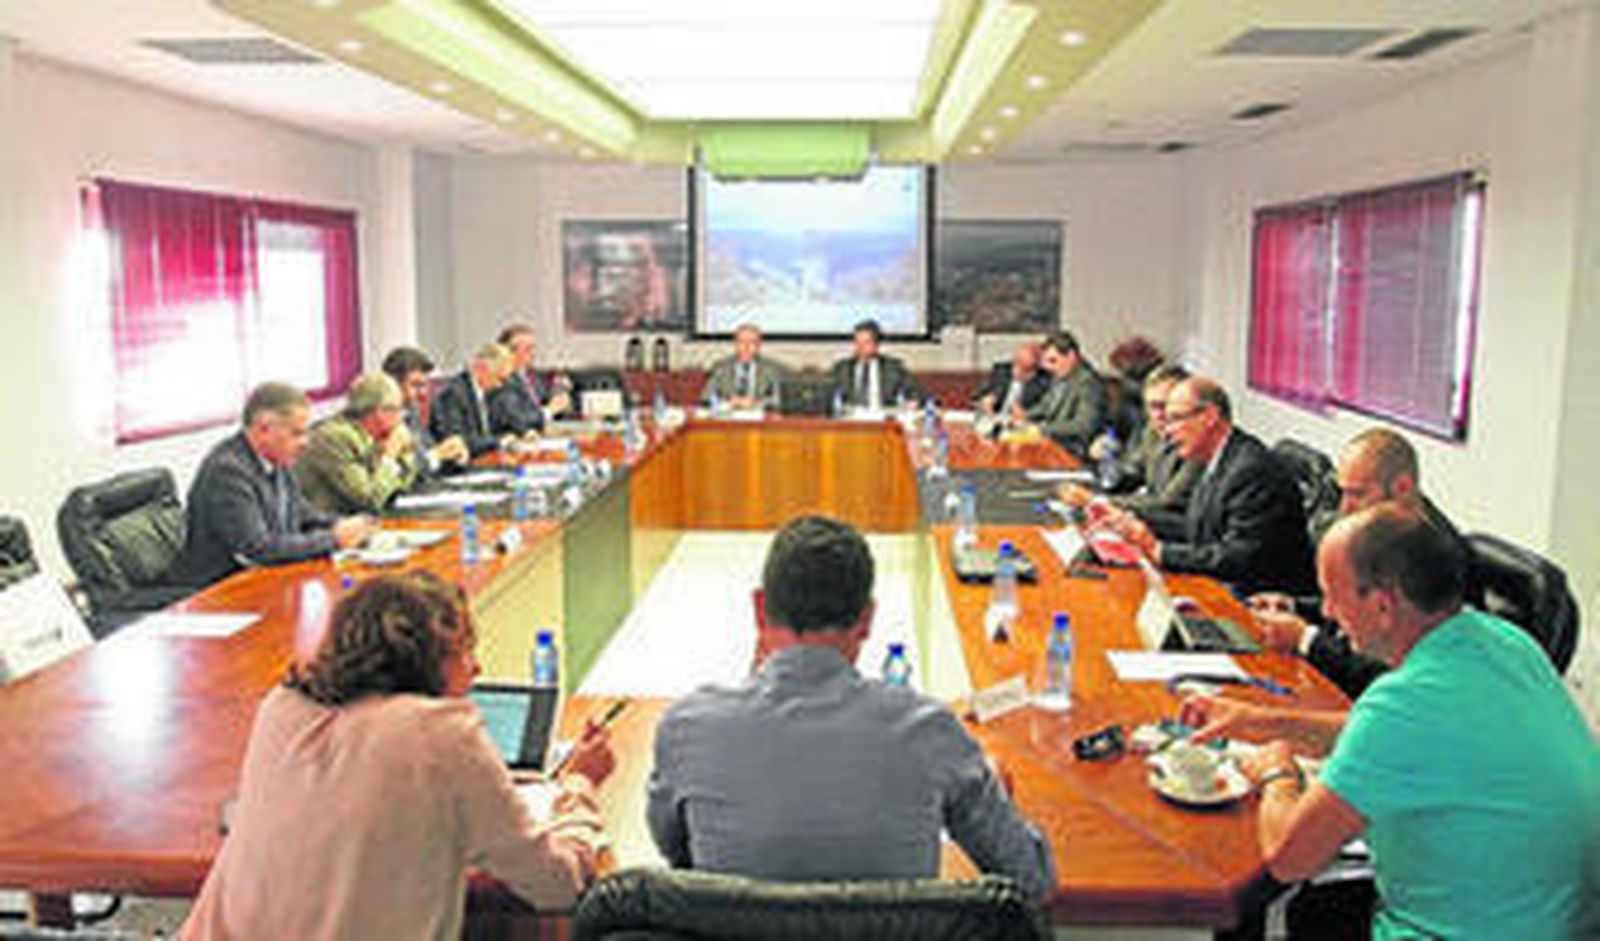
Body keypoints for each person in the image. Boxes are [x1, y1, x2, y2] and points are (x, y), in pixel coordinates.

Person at [1180, 505, 1600, 940]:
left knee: (1289, 897)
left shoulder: (1403, 703)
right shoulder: (1508, 642)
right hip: (1552, 919)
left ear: (1382, 606)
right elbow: (1387, 732)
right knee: (1319, 906)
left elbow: (1288, 858)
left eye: (1332, 596)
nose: (1326, 612)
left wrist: (1277, 773)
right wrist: (1263, 722)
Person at [181, 571, 616, 941]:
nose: (476, 668)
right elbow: (555, 884)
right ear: (425, 659)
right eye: (465, 650)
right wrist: (579, 787)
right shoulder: (441, 735)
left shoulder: (282, 707)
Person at [646, 515, 1055, 901]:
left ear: (759, 608)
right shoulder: (931, 732)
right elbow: (1032, 880)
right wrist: (991, 791)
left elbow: (680, 854)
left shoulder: (688, 729)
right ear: (868, 618)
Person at [1252, 428, 1474, 698]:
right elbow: (1357, 605)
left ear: (1402, 488)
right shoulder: (1380, 534)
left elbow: (1387, 670)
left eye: (1357, 494)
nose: (1344, 509)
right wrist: (1293, 606)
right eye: (1342, 493)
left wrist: (1305, 639)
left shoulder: (1433, 556)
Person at [1093, 377, 1316, 595]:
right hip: (1226, 584)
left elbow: (1239, 557)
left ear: (1209, 416)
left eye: (1176, 419)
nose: (1167, 431)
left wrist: (1160, 551)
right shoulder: (1214, 458)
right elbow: (1197, 529)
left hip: (1261, 600)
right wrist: (1135, 524)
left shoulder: (1250, 469)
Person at [168, 383, 375, 588]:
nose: (306, 442)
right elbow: (258, 549)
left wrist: (349, 525)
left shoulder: (277, 459)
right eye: (297, 433)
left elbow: (302, 514)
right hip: (218, 590)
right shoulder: (227, 471)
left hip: (265, 579)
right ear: (264, 429)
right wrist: (333, 539)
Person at [1060, 363, 1200, 530]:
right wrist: (1100, 462)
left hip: (1174, 531)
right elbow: (1130, 474)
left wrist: (1095, 501)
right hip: (1147, 521)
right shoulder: (1153, 431)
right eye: (1152, 406)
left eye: (1165, 405)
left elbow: (1165, 503)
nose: (1159, 415)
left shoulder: (1197, 442)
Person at [295, 373, 418, 515]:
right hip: (331, 523)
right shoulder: (335, 438)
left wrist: (405, 451)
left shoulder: (375, 435)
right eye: (397, 410)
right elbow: (369, 499)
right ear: (380, 412)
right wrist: (390, 455)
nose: (400, 419)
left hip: (360, 520)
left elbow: (402, 486)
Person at [381, 345, 471, 478]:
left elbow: (430, 451)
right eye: (416, 385)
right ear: (393, 384)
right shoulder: (380, 420)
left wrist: (453, 455)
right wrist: (436, 455)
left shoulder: (412, 412)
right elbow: (400, 472)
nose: (424, 393)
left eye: (425, 385)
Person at [1018, 331, 1108, 459]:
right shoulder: (1061, 376)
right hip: (1053, 441)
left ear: (1071, 356)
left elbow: (1083, 425)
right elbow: (1046, 405)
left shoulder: (1088, 383)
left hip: (1073, 448)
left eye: (1053, 361)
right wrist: (1024, 416)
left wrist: (1042, 429)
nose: (1049, 367)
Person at [488, 323, 571, 436]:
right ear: (510, 353)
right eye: (528, 349)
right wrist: (550, 410)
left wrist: (559, 394)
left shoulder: (530, 376)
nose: (533, 353)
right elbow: (516, 419)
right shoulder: (502, 380)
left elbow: (544, 402)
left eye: (533, 348)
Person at [431, 343, 512, 458]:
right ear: (481, 369)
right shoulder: (453, 394)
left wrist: (514, 436)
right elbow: (458, 440)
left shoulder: (491, 393)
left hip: (486, 458)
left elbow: (501, 426)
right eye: (499, 379)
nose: (500, 386)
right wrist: (499, 441)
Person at [828, 319, 921, 409]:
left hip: (883, 416)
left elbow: (916, 393)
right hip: (851, 417)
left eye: (866, 343)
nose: (860, 347)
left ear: (876, 345)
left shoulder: (893, 367)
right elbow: (825, 393)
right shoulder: (842, 368)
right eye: (857, 342)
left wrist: (912, 402)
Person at [702, 323, 785, 410]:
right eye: (741, 342)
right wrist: (728, 402)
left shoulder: (769, 369)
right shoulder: (721, 367)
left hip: (757, 415)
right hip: (727, 415)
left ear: (759, 345)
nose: (746, 347)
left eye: (752, 342)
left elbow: (776, 401)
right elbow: (706, 399)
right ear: (735, 344)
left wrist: (755, 403)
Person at [972, 342, 1049, 417]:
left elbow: (1041, 411)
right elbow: (977, 395)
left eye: (1023, 370)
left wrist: (1025, 414)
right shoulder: (1002, 371)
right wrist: (984, 400)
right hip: (993, 420)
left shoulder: (1042, 383)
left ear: (1035, 372)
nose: (1016, 371)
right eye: (1015, 364)